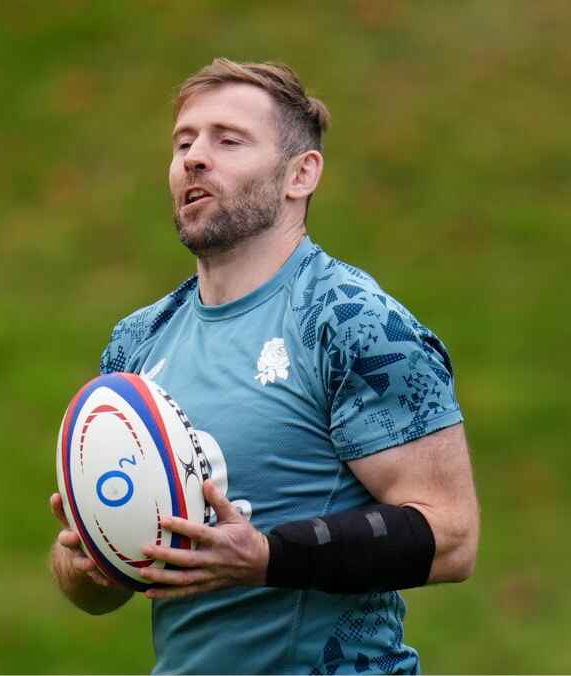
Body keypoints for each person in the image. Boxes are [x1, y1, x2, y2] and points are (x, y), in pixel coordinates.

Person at [48, 58, 480, 675]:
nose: (196, 157)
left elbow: (453, 537)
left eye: (228, 140)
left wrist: (268, 558)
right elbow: (96, 595)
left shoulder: (350, 320)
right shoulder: (138, 343)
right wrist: (90, 558)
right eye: (184, 142)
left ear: (300, 174)